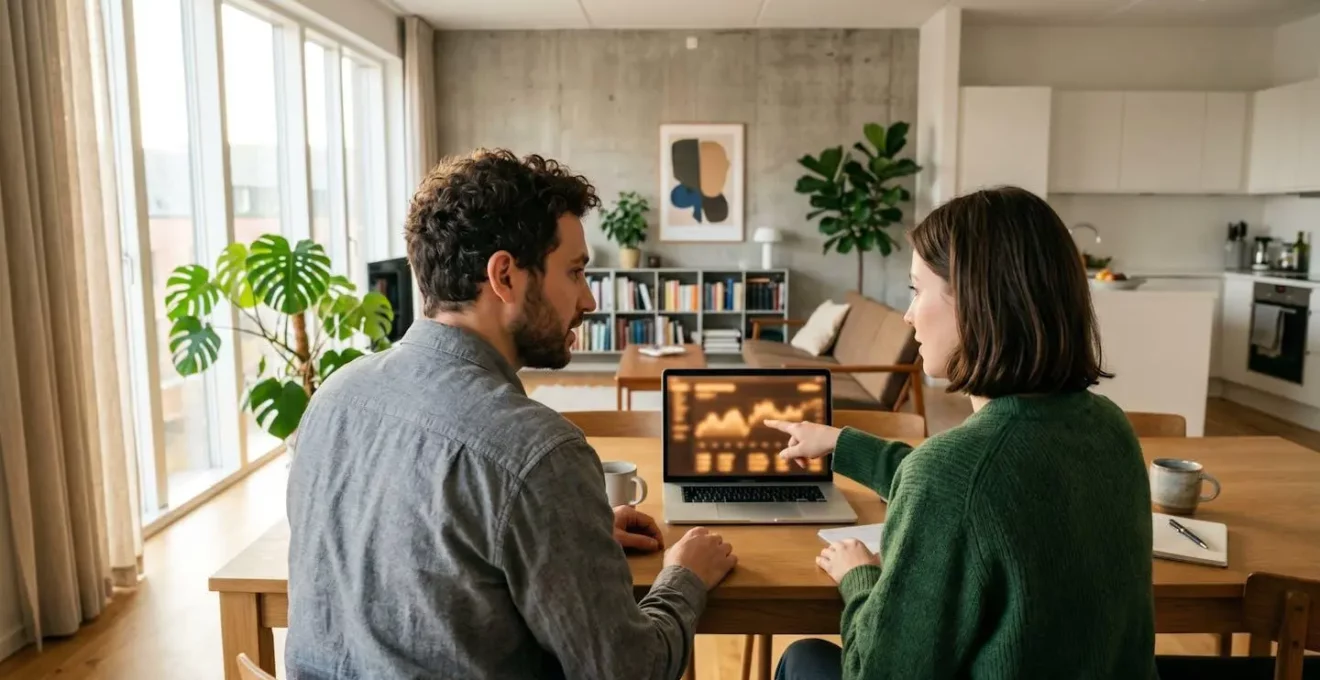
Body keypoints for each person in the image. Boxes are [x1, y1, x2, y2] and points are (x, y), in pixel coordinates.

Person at [285, 148, 737, 679]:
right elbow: (629, 672)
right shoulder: (536, 453)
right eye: (575, 273)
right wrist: (684, 577)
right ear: (505, 276)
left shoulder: (334, 396)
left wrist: (566, 536)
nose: (589, 301)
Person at [766, 186, 1158, 680]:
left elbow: (877, 673)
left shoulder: (951, 475)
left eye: (916, 290)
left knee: (802, 657)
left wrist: (860, 577)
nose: (908, 315)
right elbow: (982, 496)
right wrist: (842, 444)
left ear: (975, 302)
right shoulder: (1111, 426)